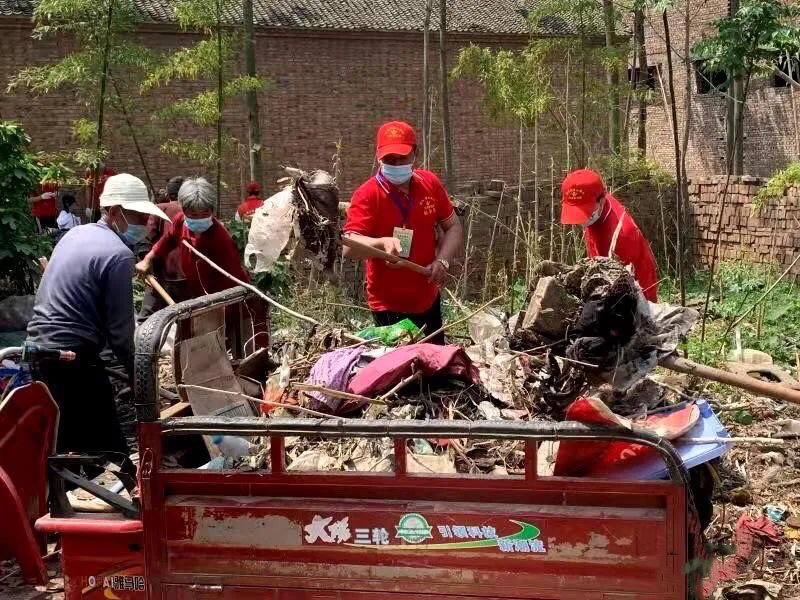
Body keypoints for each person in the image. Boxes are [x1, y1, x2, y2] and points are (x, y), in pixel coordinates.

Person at [26, 174, 169, 472]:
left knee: (62, 446)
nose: (144, 223)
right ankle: (129, 493)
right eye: (138, 216)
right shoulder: (118, 255)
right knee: (112, 449)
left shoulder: (75, 234)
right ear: (115, 211)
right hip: (71, 356)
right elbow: (121, 335)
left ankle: (67, 493)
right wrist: (141, 379)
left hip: (40, 350)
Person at [343, 120, 463, 344]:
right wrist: (381, 244)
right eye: (389, 159)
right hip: (388, 306)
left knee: (435, 361)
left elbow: (453, 227)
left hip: (428, 297)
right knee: (402, 365)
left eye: (401, 157)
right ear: (378, 156)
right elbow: (349, 245)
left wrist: (443, 261)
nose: (396, 164)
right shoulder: (367, 195)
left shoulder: (430, 184)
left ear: (415, 154)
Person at [560, 168, 658, 302]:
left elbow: (623, 289)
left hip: (634, 295)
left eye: (584, 212)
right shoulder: (597, 209)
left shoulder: (622, 236)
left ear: (601, 202)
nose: (579, 221)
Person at [136, 176, 186, 323]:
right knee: (186, 320)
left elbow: (145, 241)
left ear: (168, 194)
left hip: (160, 278)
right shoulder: (193, 212)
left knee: (146, 320)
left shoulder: (159, 209)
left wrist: (146, 263)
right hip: (186, 280)